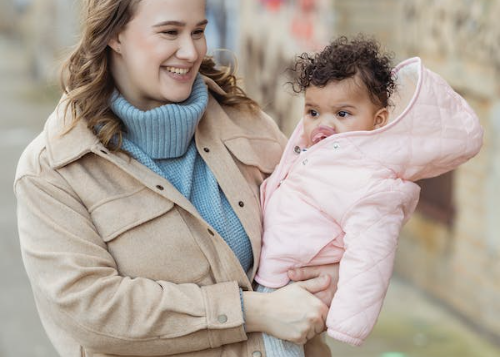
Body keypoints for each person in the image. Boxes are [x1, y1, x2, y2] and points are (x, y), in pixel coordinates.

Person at [14, 1, 340, 356]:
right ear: (114, 35)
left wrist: (334, 274)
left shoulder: (245, 120)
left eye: (198, 31)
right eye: (170, 32)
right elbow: (92, 310)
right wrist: (251, 312)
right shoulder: (54, 169)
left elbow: (322, 213)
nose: (191, 51)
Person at [254, 36, 483, 355]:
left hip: (295, 291)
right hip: (268, 282)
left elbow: (371, 253)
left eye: (343, 114)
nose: (325, 124)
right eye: (313, 112)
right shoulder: (315, 152)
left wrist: (348, 321)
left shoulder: (371, 183)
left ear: (378, 121)